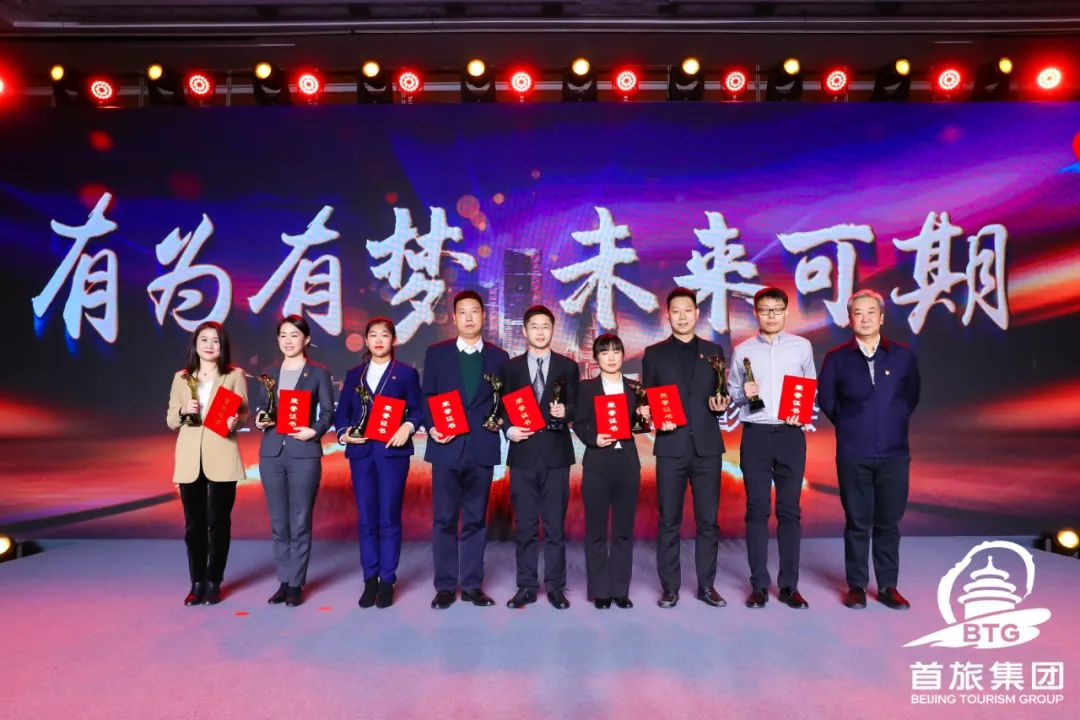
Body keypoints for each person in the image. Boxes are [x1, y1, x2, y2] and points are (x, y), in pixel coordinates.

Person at [818, 289, 921, 610]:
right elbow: (828, 401)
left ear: (882, 317)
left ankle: (888, 586)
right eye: (858, 313)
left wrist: (888, 422)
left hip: (894, 453)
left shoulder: (903, 355)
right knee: (857, 522)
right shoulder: (836, 358)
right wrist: (855, 425)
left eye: (870, 312)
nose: (864, 319)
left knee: (889, 522)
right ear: (850, 319)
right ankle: (857, 586)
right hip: (854, 453)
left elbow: (910, 397)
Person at [727, 288, 816, 610]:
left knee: (790, 511)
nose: (771, 315)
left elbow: (810, 387)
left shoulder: (802, 347)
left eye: (777, 309)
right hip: (756, 436)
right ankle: (759, 586)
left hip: (790, 435)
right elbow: (733, 392)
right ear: (756, 313)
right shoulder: (743, 350)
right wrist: (743, 391)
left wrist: (800, 413)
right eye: (765, 310)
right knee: (757, 510)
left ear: (786, 312)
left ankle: (789, 586)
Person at [642, 288, 730, 609]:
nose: (682, 316)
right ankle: (670, 588)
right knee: (669, 520)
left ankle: (707, 586)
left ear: (696, 313)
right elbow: (647, 399)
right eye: (676, 311)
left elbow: (720, 394)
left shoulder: (713, 351)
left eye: (687, 310)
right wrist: (650, 415)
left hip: (707, 447)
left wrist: (721, 404)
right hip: (671, 447)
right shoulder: (654, 354)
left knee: (708, 521)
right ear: (668, 315)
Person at [422, 291, 510, 610]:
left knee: (475, 521)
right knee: (444, 520)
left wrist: (501, 421)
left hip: (482, 449)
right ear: (454, 317)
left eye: (475, 311)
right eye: (463, 312)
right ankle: (445, 586)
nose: (469, 317)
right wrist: (432, 426)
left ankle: (472, 586)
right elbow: (426, 396)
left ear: (484, 316)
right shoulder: (437, 354)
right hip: (446, 447)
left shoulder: (499, 357)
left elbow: (505, 402)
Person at [335, 317, 423, 609]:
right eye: (373, 335)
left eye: (384, 335)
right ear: (366, 340)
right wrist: (344, 433)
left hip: (392, 453)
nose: (378, 340)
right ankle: (369, 579)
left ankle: (387, 579)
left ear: (393, 340)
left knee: (389, 516)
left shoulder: (406, 374)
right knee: (367, 518)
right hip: (361, 453)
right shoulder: (354, 375)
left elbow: (418, 409)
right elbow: (342, 413)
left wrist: (407, 427)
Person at [499, 305, 579, 610]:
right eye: (535, 326)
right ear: (524, 330)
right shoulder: (511, 368)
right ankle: (527, 586)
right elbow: (501, 407)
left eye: (546, 326)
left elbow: (578, 406)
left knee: (555, 526)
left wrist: (566, 411)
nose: (540, 332)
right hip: (523, 454)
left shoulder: (567, 366)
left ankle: (556, 587)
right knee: (525, 526)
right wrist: (508, 430)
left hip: (556, 455)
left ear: (553, 330)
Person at [253, 315, 335, 608]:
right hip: (272, 453)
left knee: (300, 521)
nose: (288, 341)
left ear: (306, 339)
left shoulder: (318, 372)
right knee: (279, 523)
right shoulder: (269, 372)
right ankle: (284, 580)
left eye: (294, 335)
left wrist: (315, 430)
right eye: (283, 335)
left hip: (304, 452)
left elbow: (328, 412)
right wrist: (260, 419)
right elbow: (263, 407)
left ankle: (296, 584)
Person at [165, 321, 248, 606]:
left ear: (222, 346)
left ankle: (214, 581)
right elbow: (170, 420)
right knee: (194, 525)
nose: (209, 345)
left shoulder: (234, 375)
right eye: (204, 340)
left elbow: (244, 413)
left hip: (222, 453)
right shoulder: (181, 378)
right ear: (195, 344)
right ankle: (196, 582)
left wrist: (235, 421)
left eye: (215, 340)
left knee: (219, 522)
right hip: (190, 458)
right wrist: (182, 409)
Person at [573, 333, 643, 610]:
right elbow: (579, 423)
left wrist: (645, 418)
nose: (611, 357)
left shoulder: (635, 388)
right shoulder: (587, 388)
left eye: (616, 351)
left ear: (623, 355)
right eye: (605, 352)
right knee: (596, 530)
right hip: (598, 464)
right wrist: (594, 437)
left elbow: (639, 425)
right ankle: (600, 589)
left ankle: (620, 590)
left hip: (627, 465)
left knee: (624, 530)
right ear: (597, 358)